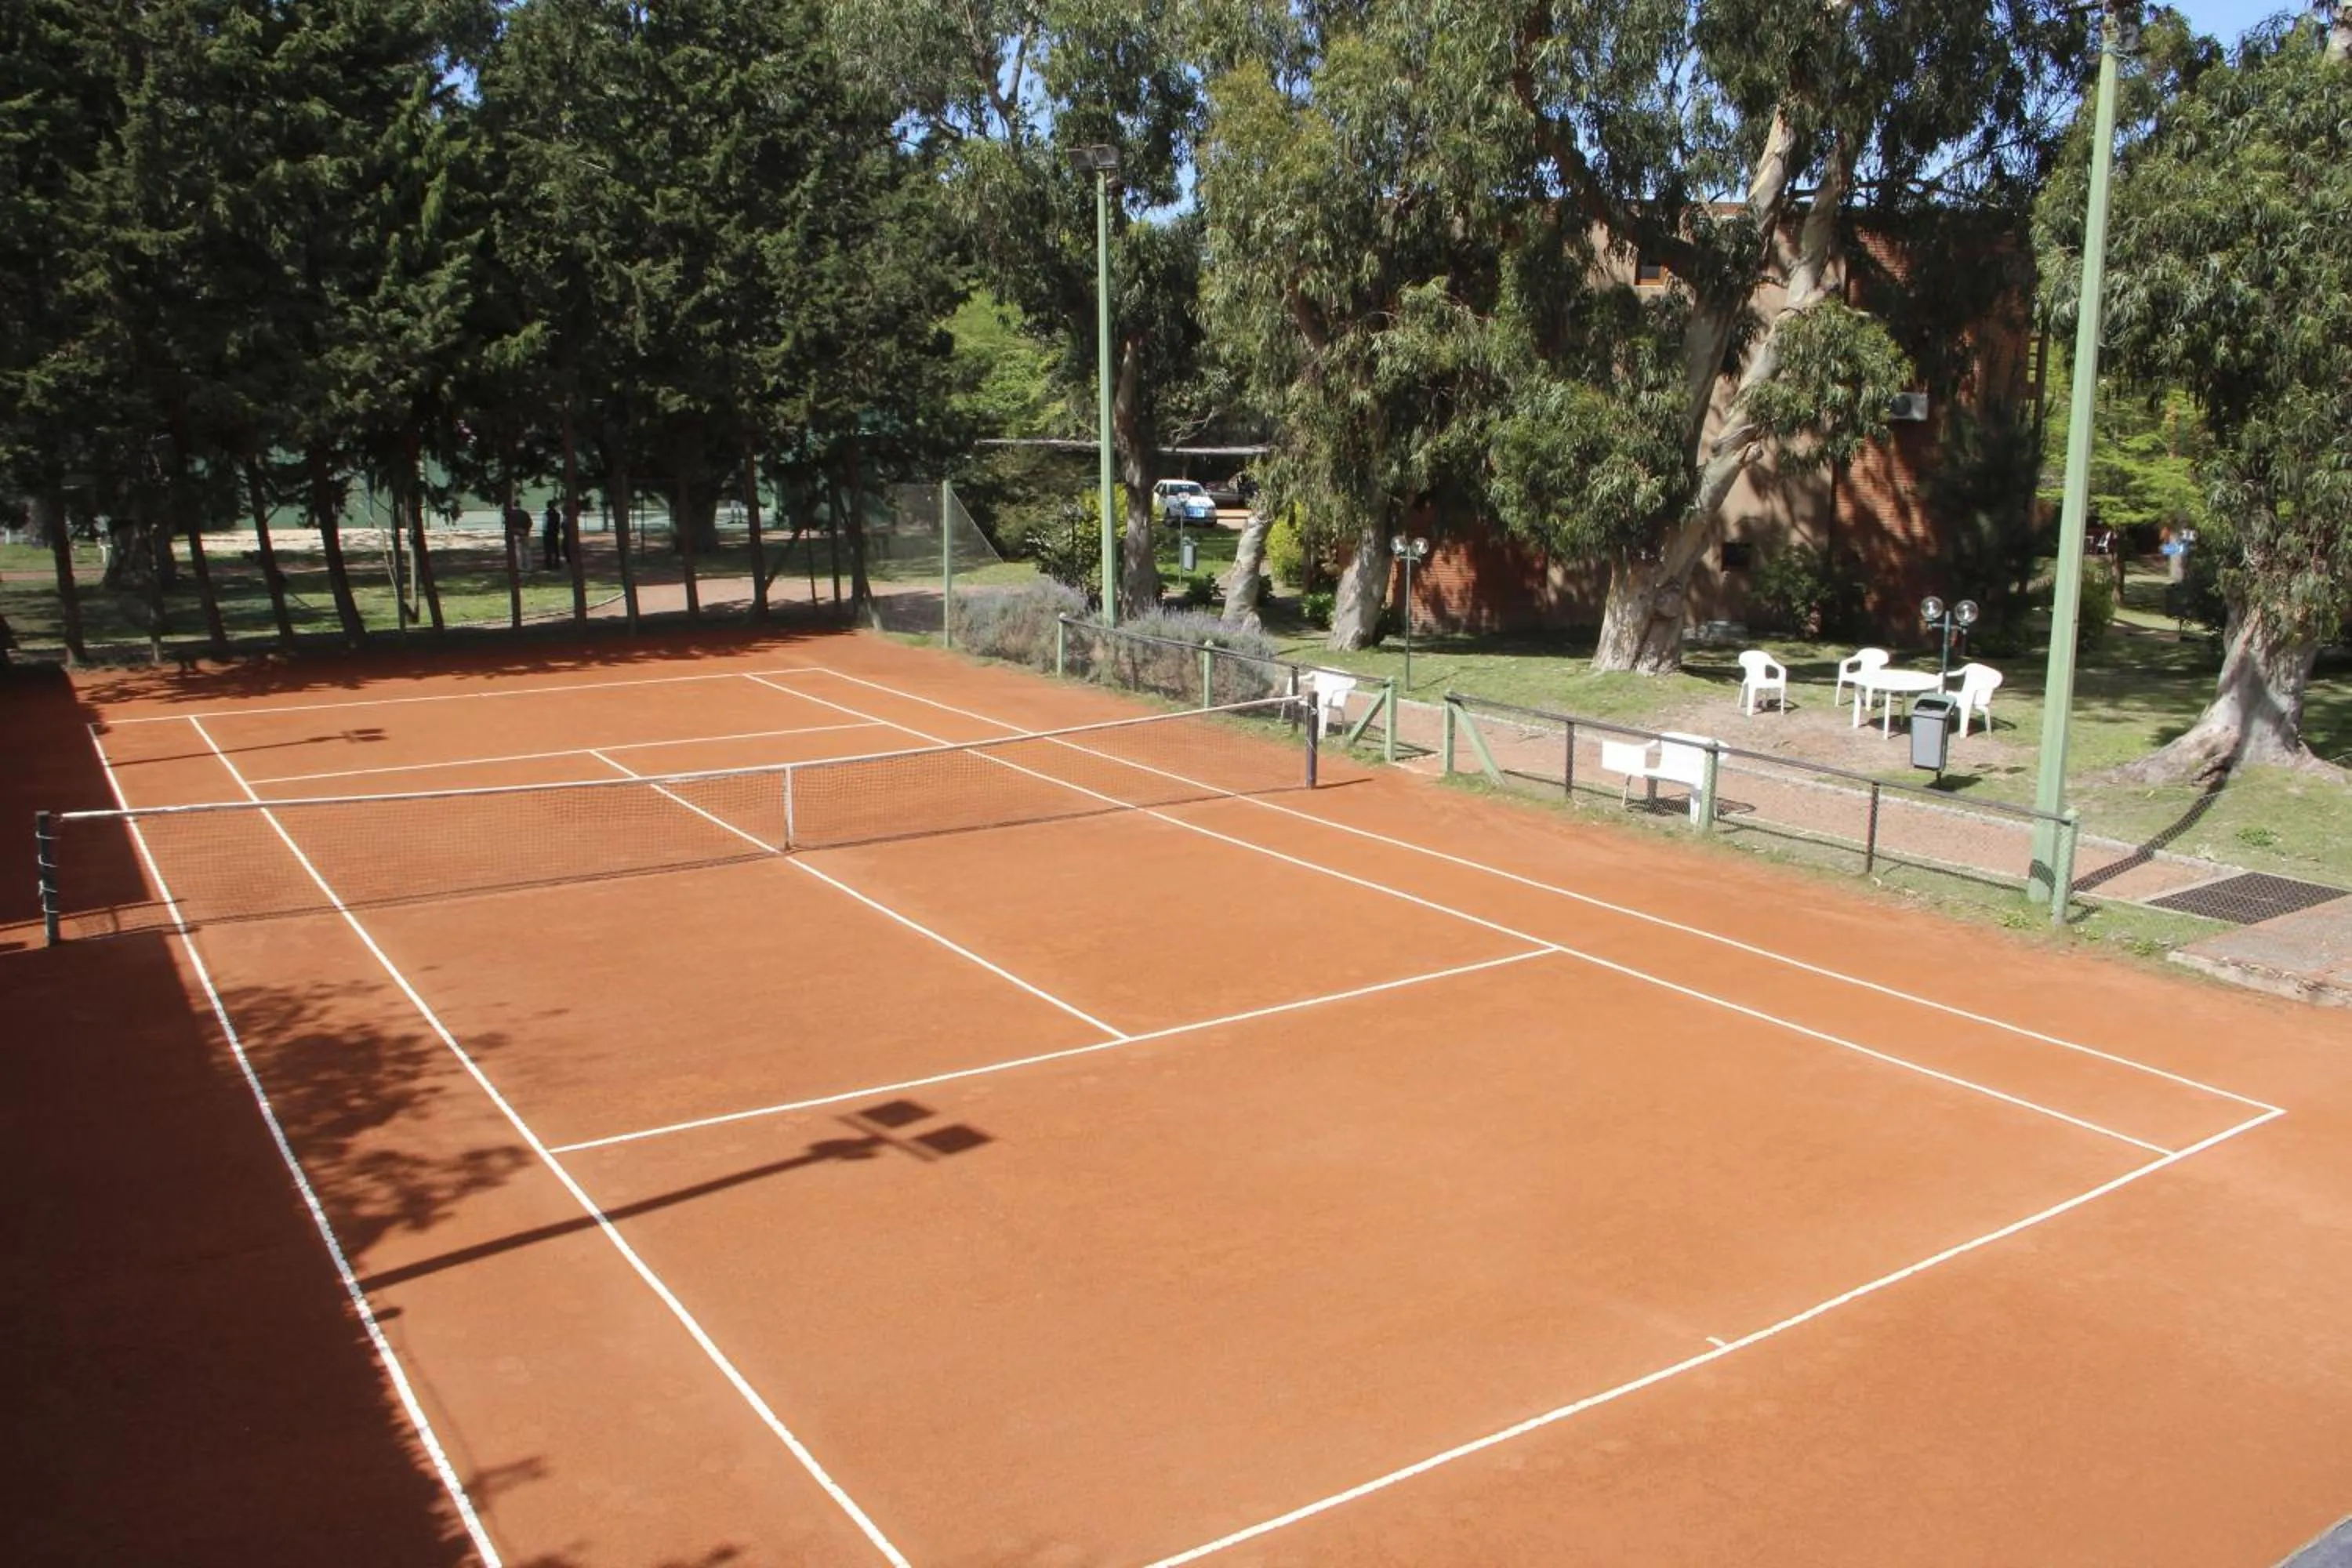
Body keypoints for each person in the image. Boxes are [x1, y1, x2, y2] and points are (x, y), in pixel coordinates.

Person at [542, 497, 564, 569]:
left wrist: (544, 532)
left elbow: (545, 525)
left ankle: (549, 565)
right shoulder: (557, 514)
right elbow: (558, 524)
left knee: (548, 549)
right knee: (556, 549)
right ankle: (557, 564)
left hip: (548, 533)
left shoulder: (546, 514)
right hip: (555, 533)